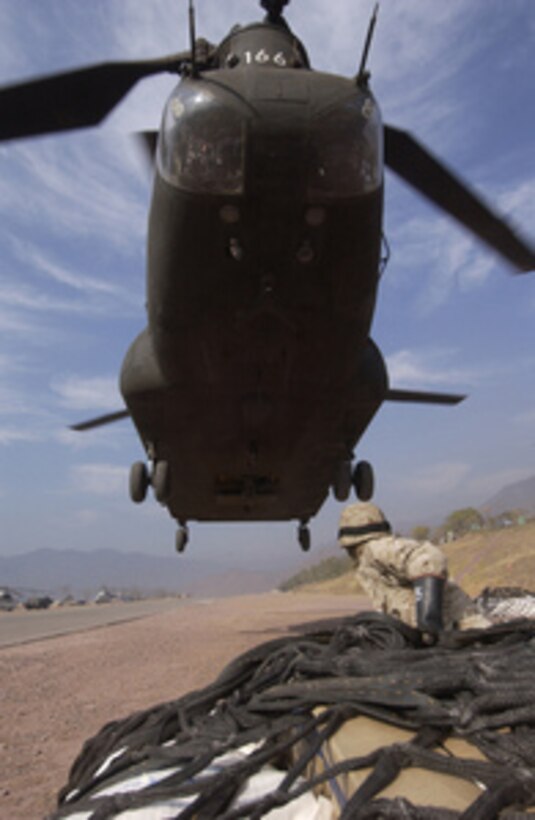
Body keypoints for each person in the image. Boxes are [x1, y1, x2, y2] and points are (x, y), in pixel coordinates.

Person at [338, 502, 490, 635]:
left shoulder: (376, 548)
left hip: (463, 632)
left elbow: (429, 558)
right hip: (451, 635)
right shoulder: (367, 561)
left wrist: (428, 619)